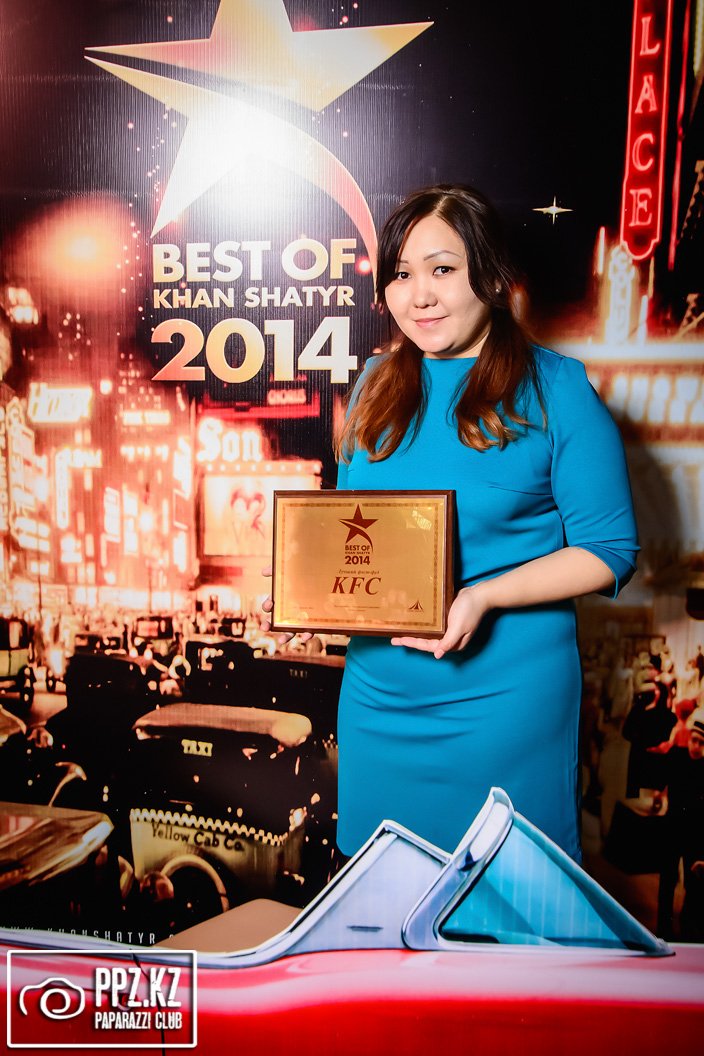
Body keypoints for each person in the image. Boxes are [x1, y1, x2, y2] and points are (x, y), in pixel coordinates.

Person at [265, 183, 638, 862]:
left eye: (442, 269)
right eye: (402, 274)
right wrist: (308, 595)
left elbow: (609, 549)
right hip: (379, 702)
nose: (420, 296)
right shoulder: (375, 382)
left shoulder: (557, 388)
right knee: (382, 893)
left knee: (503, 893)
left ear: (490, 275)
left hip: (505, 706)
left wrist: (483, 596)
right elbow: (356, 530)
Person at [655, 707, 704, 940]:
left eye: (701, 743)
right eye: (694, 741)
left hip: (694, 832)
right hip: (673, 828)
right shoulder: (677, 757)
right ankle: (663, 927)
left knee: (692, 884)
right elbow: (662, 781)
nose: (696, 746)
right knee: (667, 880)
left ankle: (687, 926)